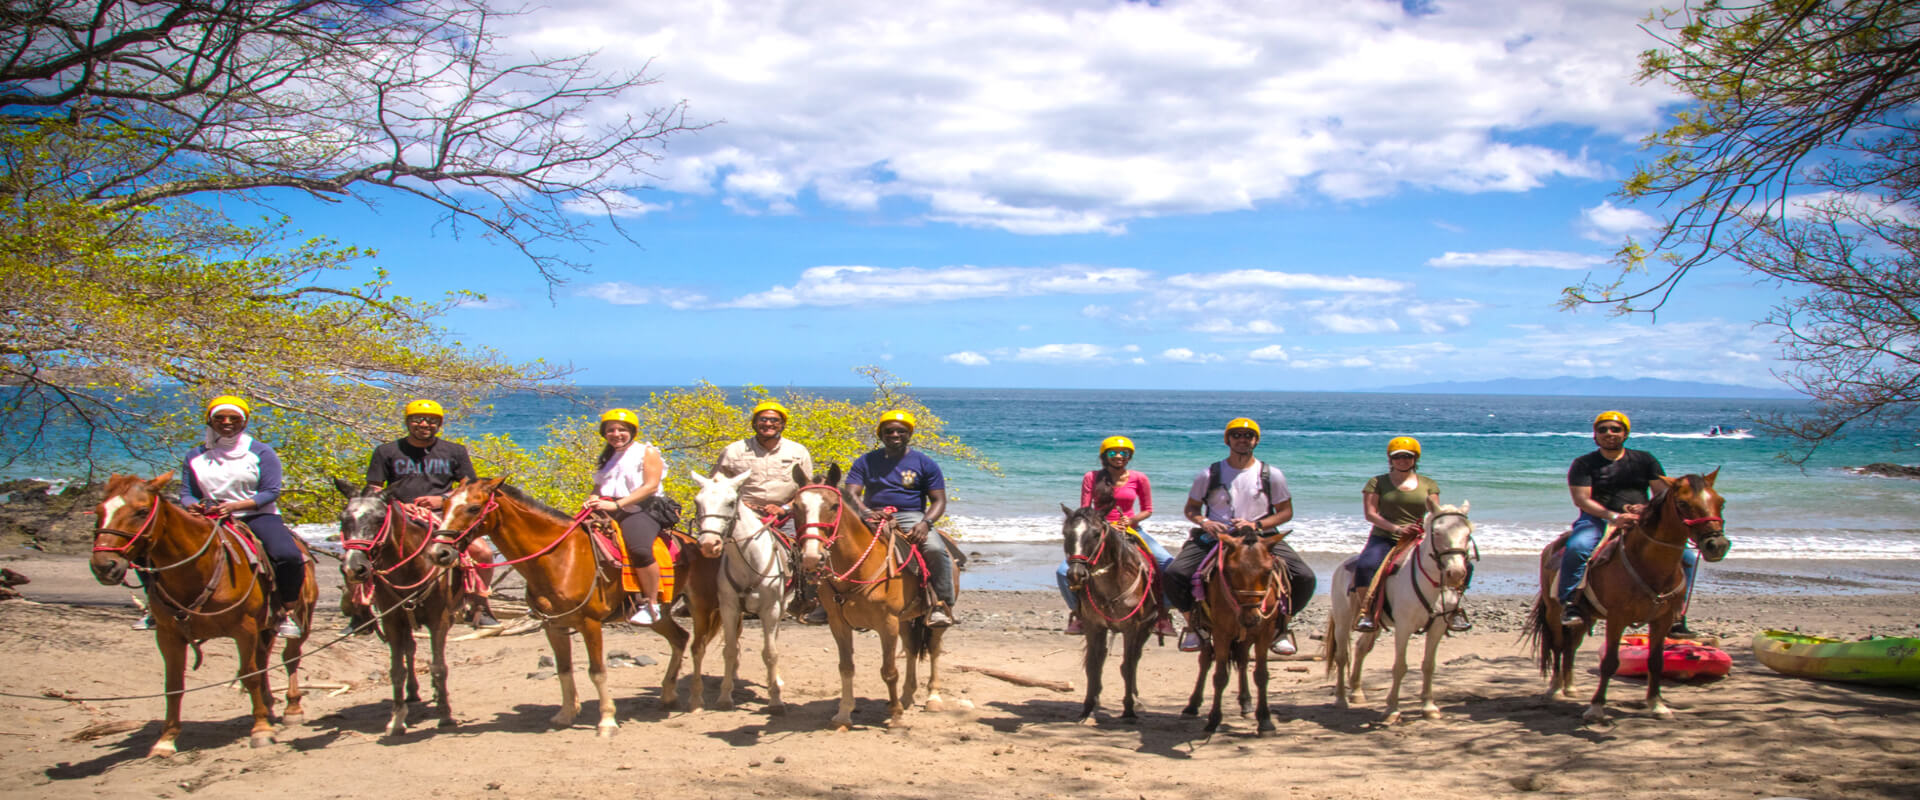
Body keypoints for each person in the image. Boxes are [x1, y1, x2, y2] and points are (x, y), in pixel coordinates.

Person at [148, 396, 307, 637]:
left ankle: (286, 612)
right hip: (209, 518)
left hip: (255, 515)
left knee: (288, 556)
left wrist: (235, 506)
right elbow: (187, 493)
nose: (227, 422)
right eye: (220, 418)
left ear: (244, 422)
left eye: (234, 418)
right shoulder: (195, 455)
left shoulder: (262, 453)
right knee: (151, 550)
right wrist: (194, 506)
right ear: (210, 421)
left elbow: (271, 492)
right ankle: (156, 609)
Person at [1162, 418, 1316, 655]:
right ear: (1228, 440)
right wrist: (1206, 522)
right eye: (1237, 435)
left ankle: (1282, 627)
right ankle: (1193, 626)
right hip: (1218, 537)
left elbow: (1285, 512)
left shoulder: (1271, 474)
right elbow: (1191, 509)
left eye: (1248, 436)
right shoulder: (1208, 474)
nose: (1242, 439)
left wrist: (1257, 524)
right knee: (1174, 574)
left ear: (1256, 440)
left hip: (1260, 537)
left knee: (1305, 577)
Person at [363, 399, 501, 629]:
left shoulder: (454, 451)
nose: (424, 424)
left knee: (483, 552)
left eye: (432, 420)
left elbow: (468, 486)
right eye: (417, 419)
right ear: (408, 422)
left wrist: (443, 499)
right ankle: (361, 609)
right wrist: (399, 505)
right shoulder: (386, 452)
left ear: (439, 424)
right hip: (398, 516)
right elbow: (374, 488)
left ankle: (480, 606)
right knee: (363, 552)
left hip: (442, 515)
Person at [1560, 410, 1699, 635]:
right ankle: (1571, 604)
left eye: (1615, 429)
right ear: (1595, 435)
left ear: (1625, 434)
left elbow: (1662, 494)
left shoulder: (1645, 460)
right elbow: (1582, 499)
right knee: (1578, 547)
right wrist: (1613, 517)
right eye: (1602, 430)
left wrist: (1646, 509)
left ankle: (1676, 613)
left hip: (1643, 520)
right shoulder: (1584, 464)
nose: (1609, 433)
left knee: (1687, 557)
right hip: (1599, 519)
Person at [1054, 436, 1176, 636]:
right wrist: (1104, 525)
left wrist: (1131, 520)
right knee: (1062, 572)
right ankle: (1078, 613)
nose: (1119, 456)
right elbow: (1085, 509)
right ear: (1104, 456)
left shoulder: (1139, 478)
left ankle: (1162, 614)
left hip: (1130, 530)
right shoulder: (1091, 477)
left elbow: (1148, 510)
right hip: (1099, 531)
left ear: (1129, 457)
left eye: (1124, 453)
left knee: (1167, 565)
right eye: (1113, 453)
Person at [844, 410, 956, 627]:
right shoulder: (865, 461)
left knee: (934, 549)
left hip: (910, 515)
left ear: (909, 434)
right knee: (833, 542)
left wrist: (925, 523)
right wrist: (865, 512)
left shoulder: (925, 463)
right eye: (889, 431)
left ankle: (941, 604)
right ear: (880, 434)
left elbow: (939, 501)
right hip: (871, 513)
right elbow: (851, 494)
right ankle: (821, 601)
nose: (894, 434)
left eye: (900, 431)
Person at [710, 400, 817, 621]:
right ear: (754, 422)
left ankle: (803, 599)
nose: (768, 424)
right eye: (763, 419)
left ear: (782, 424)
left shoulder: (798, 451)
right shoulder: (734, 450)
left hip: (785, 511)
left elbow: (807, 488)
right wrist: (742, 504)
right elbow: (717, 485)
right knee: (713, 544)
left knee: (806, 550)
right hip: (742, 512)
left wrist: (784, 507)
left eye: (774, 420)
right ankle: (709, 597)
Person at [1351, 436, 1471, 633]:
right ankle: (1367, 612)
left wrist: (1423, 529)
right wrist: (1397, 529)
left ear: (1415, 459)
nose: (1403, 460)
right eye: (1398, 457)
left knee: (1462, 565)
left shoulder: (1428, 484)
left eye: (1408, 456)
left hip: (1419, 537)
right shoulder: (1376, 482)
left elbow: (1435, 513)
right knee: (1366, 565)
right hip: (1386, 537)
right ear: (1391, 459)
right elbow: (1370, 514)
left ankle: (1454, 609)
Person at [585, 409, 669, 624]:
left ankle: (651, 604)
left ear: (632, 431)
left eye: (622, 430)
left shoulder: (648, 452)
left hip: (641, 508)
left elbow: (650, 486)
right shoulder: (608, 456)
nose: (616, 434)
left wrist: (618, 504)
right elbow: (599, 485)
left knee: (639, 548)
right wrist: (592, 499)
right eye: (610, 430)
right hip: (607, 506)